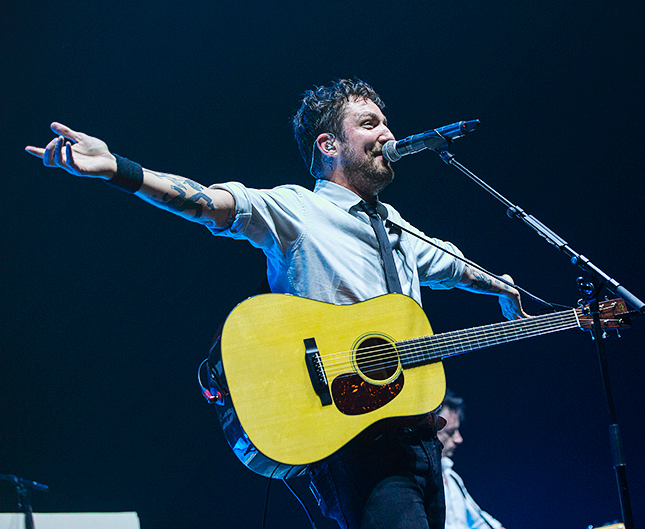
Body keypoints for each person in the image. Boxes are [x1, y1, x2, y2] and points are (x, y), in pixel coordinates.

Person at [25, 78, 527, 529]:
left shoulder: (394, 224)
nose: (387, 135)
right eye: (369, 124)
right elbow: (206, 202)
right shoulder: (297, 209)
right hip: (348, 433)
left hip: (416, 437)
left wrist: (500, 285)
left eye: (387, 123)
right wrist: (119, 169)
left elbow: (452, 266)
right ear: (329, 145)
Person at [438, 391, 505, 529]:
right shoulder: (416, 482)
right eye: (450, 432)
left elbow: (480, 521)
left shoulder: (452, 478)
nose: (459, 439)